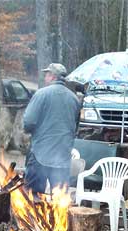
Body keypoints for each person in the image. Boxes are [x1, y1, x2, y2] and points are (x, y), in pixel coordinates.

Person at [23, 63, 81, 194]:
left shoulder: (41, 94)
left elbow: (28, 122)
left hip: (40, 155)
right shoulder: (74, 99)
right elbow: (75, 127)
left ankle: (35, 214)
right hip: (63, 157)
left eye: (47, 75)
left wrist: (30, 131)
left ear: (53, 76)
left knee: (33, 198)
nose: (45, 78)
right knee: (59, 200)